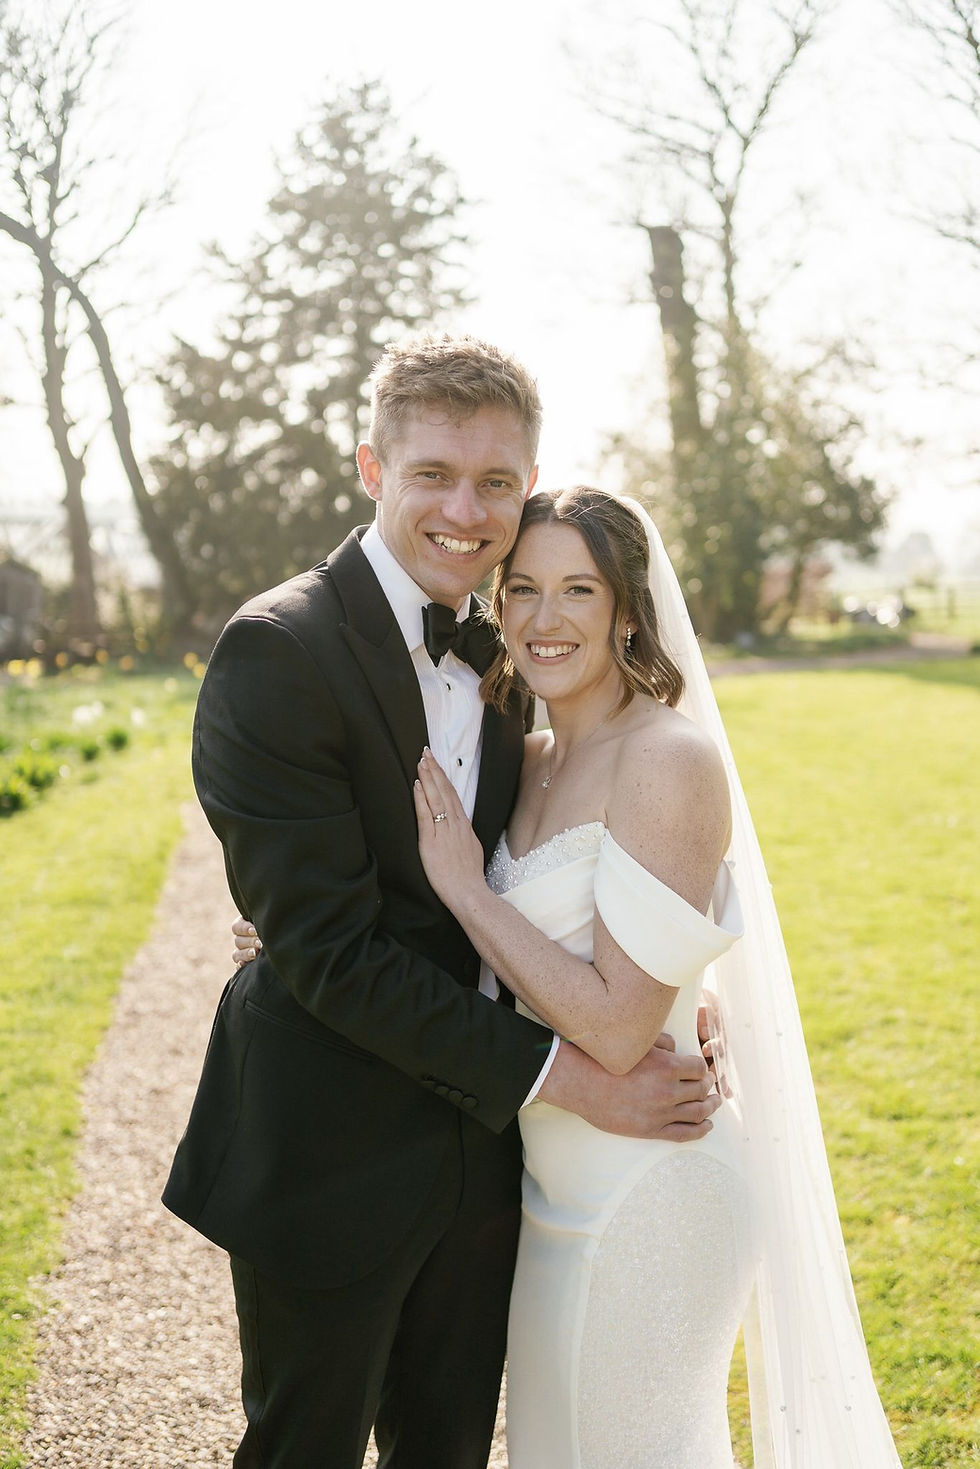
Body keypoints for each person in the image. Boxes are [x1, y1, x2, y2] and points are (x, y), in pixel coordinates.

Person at [232, 481, 905, 1467]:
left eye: (578, 591)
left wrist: (471, 890)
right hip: (547, 1187)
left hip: (647, 1186)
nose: (544, 620)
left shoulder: (666, 756)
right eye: (524, 589)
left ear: (627, 609)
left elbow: (622, 1027)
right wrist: (300, 933)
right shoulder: (529, 754)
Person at [162, 336, 720, 1469]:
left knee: (449, 1450)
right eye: (432, 474)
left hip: (487, 1161)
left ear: (526, 485)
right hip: (330, 1143)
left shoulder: (513, 651)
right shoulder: (278, 651)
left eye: (496, 482)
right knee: (302, 1448)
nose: (465, 510)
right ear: (371, 469)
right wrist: (581, 1077)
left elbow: (594, 873)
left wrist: (682, 1003)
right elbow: (330, 952)